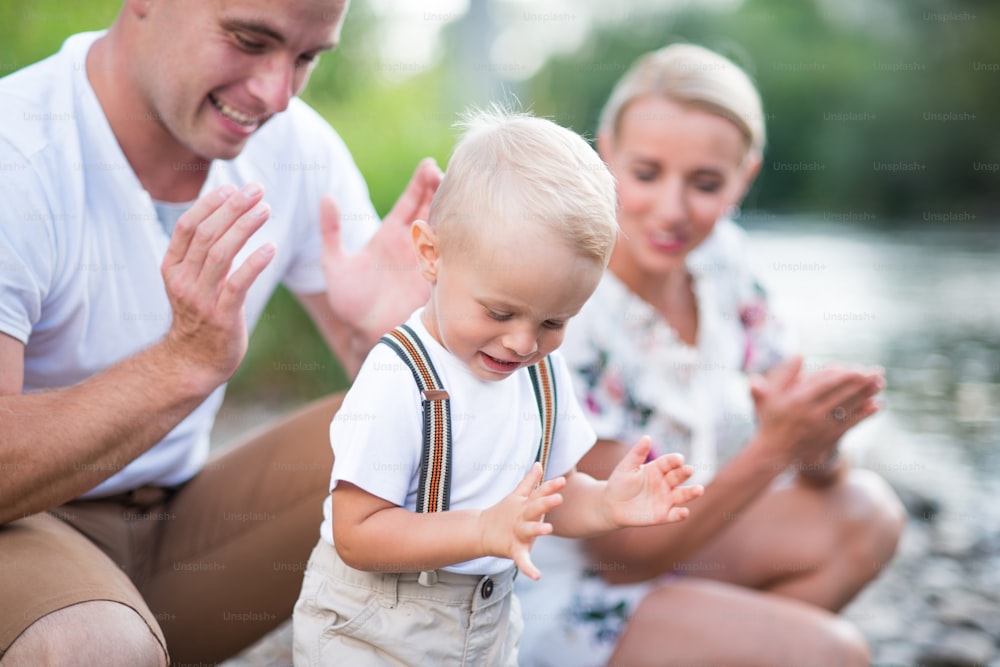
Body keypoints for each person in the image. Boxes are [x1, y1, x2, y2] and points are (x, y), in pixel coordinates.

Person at [0, 0, 443, 665]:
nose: (276, 94)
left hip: (179, 529)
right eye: (248, 39)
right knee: (95, 645)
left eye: (306, 59)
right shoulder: (19, 152)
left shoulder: (296, 149)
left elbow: (411, 393)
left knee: (418, 437)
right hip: (22, 524)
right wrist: (180, 365)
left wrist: (393, 345)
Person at [515, 44, 907, 666]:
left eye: (705, 184)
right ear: (606, 152)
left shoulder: (725, 260)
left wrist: (818, 439)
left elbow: (815, 461)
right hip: (576, 589)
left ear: (744, 176)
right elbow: (622, 556)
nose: (672, 211)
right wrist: (773, 446)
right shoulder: (570, 299)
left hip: (684, 546)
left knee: (870, 513)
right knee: (836, 656)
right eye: (646, 174)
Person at [291, 108, 705, 666]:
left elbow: (550, 501)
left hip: (485, 623)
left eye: (554, 322)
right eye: (499, 311)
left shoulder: (540, 375)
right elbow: (356, 533)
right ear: (431, 255)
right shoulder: (401, 377)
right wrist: (483, 529)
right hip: (373, 628)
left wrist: (607, 502)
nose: (521, 343)